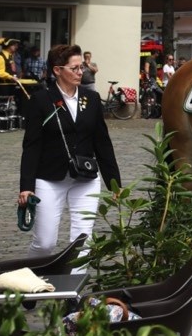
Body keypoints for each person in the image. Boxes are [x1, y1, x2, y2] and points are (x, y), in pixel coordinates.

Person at [18, 44, 121, 254]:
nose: (80, 72)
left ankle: (74, 286)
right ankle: (34, 281)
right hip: (49, 177)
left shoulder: (90, 99)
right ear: (58, 70)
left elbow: (102, 142)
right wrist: (26, 186)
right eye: (74, 68)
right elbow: (31, 145)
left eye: (81, 67)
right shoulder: (41, 100)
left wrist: (114, 182)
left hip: (85, 177)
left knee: (83, 240)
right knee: (45, 243)